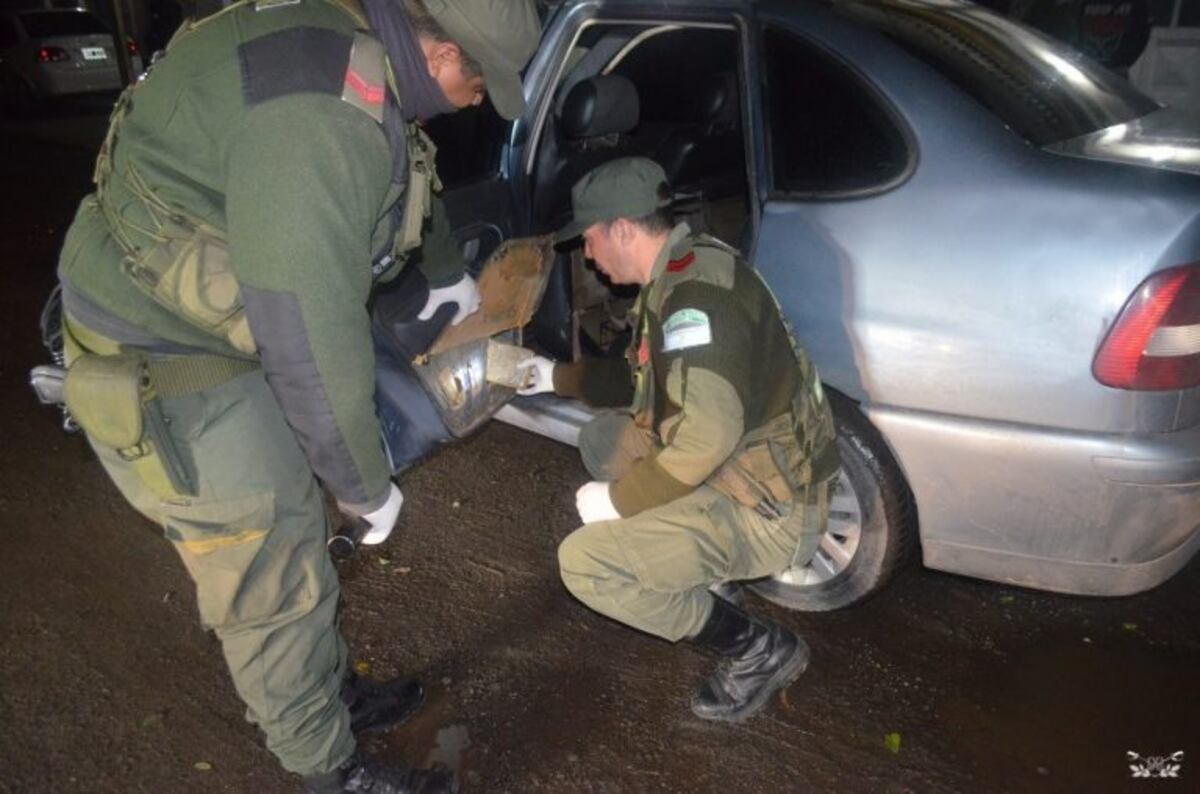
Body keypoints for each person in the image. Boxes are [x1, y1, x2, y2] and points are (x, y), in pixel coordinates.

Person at [53, 0, 539, 790]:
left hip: (219, 309)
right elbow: (306, 332)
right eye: (482, 82)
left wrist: (446, 272)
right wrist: (364, 486)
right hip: (165, 348)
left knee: (301, 525)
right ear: (444, 54)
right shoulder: (322, 114)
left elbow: (409, 164)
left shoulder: (355, 45)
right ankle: (328, 770)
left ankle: (327, 689)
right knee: (270, 565)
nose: (481, 100)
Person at [519, 157, 841, 723]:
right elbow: (643, 381)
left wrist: (618, 502)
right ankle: (707, 573)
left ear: (621, 228)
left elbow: (706, 437)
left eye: (589, 239)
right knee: (604, 439)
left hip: (771, 508)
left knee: (586, 564)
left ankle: (757, 648)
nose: (586, 255)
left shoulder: (694, 303)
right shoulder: (688, 266)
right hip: (751, 469)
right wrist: (551, 378)